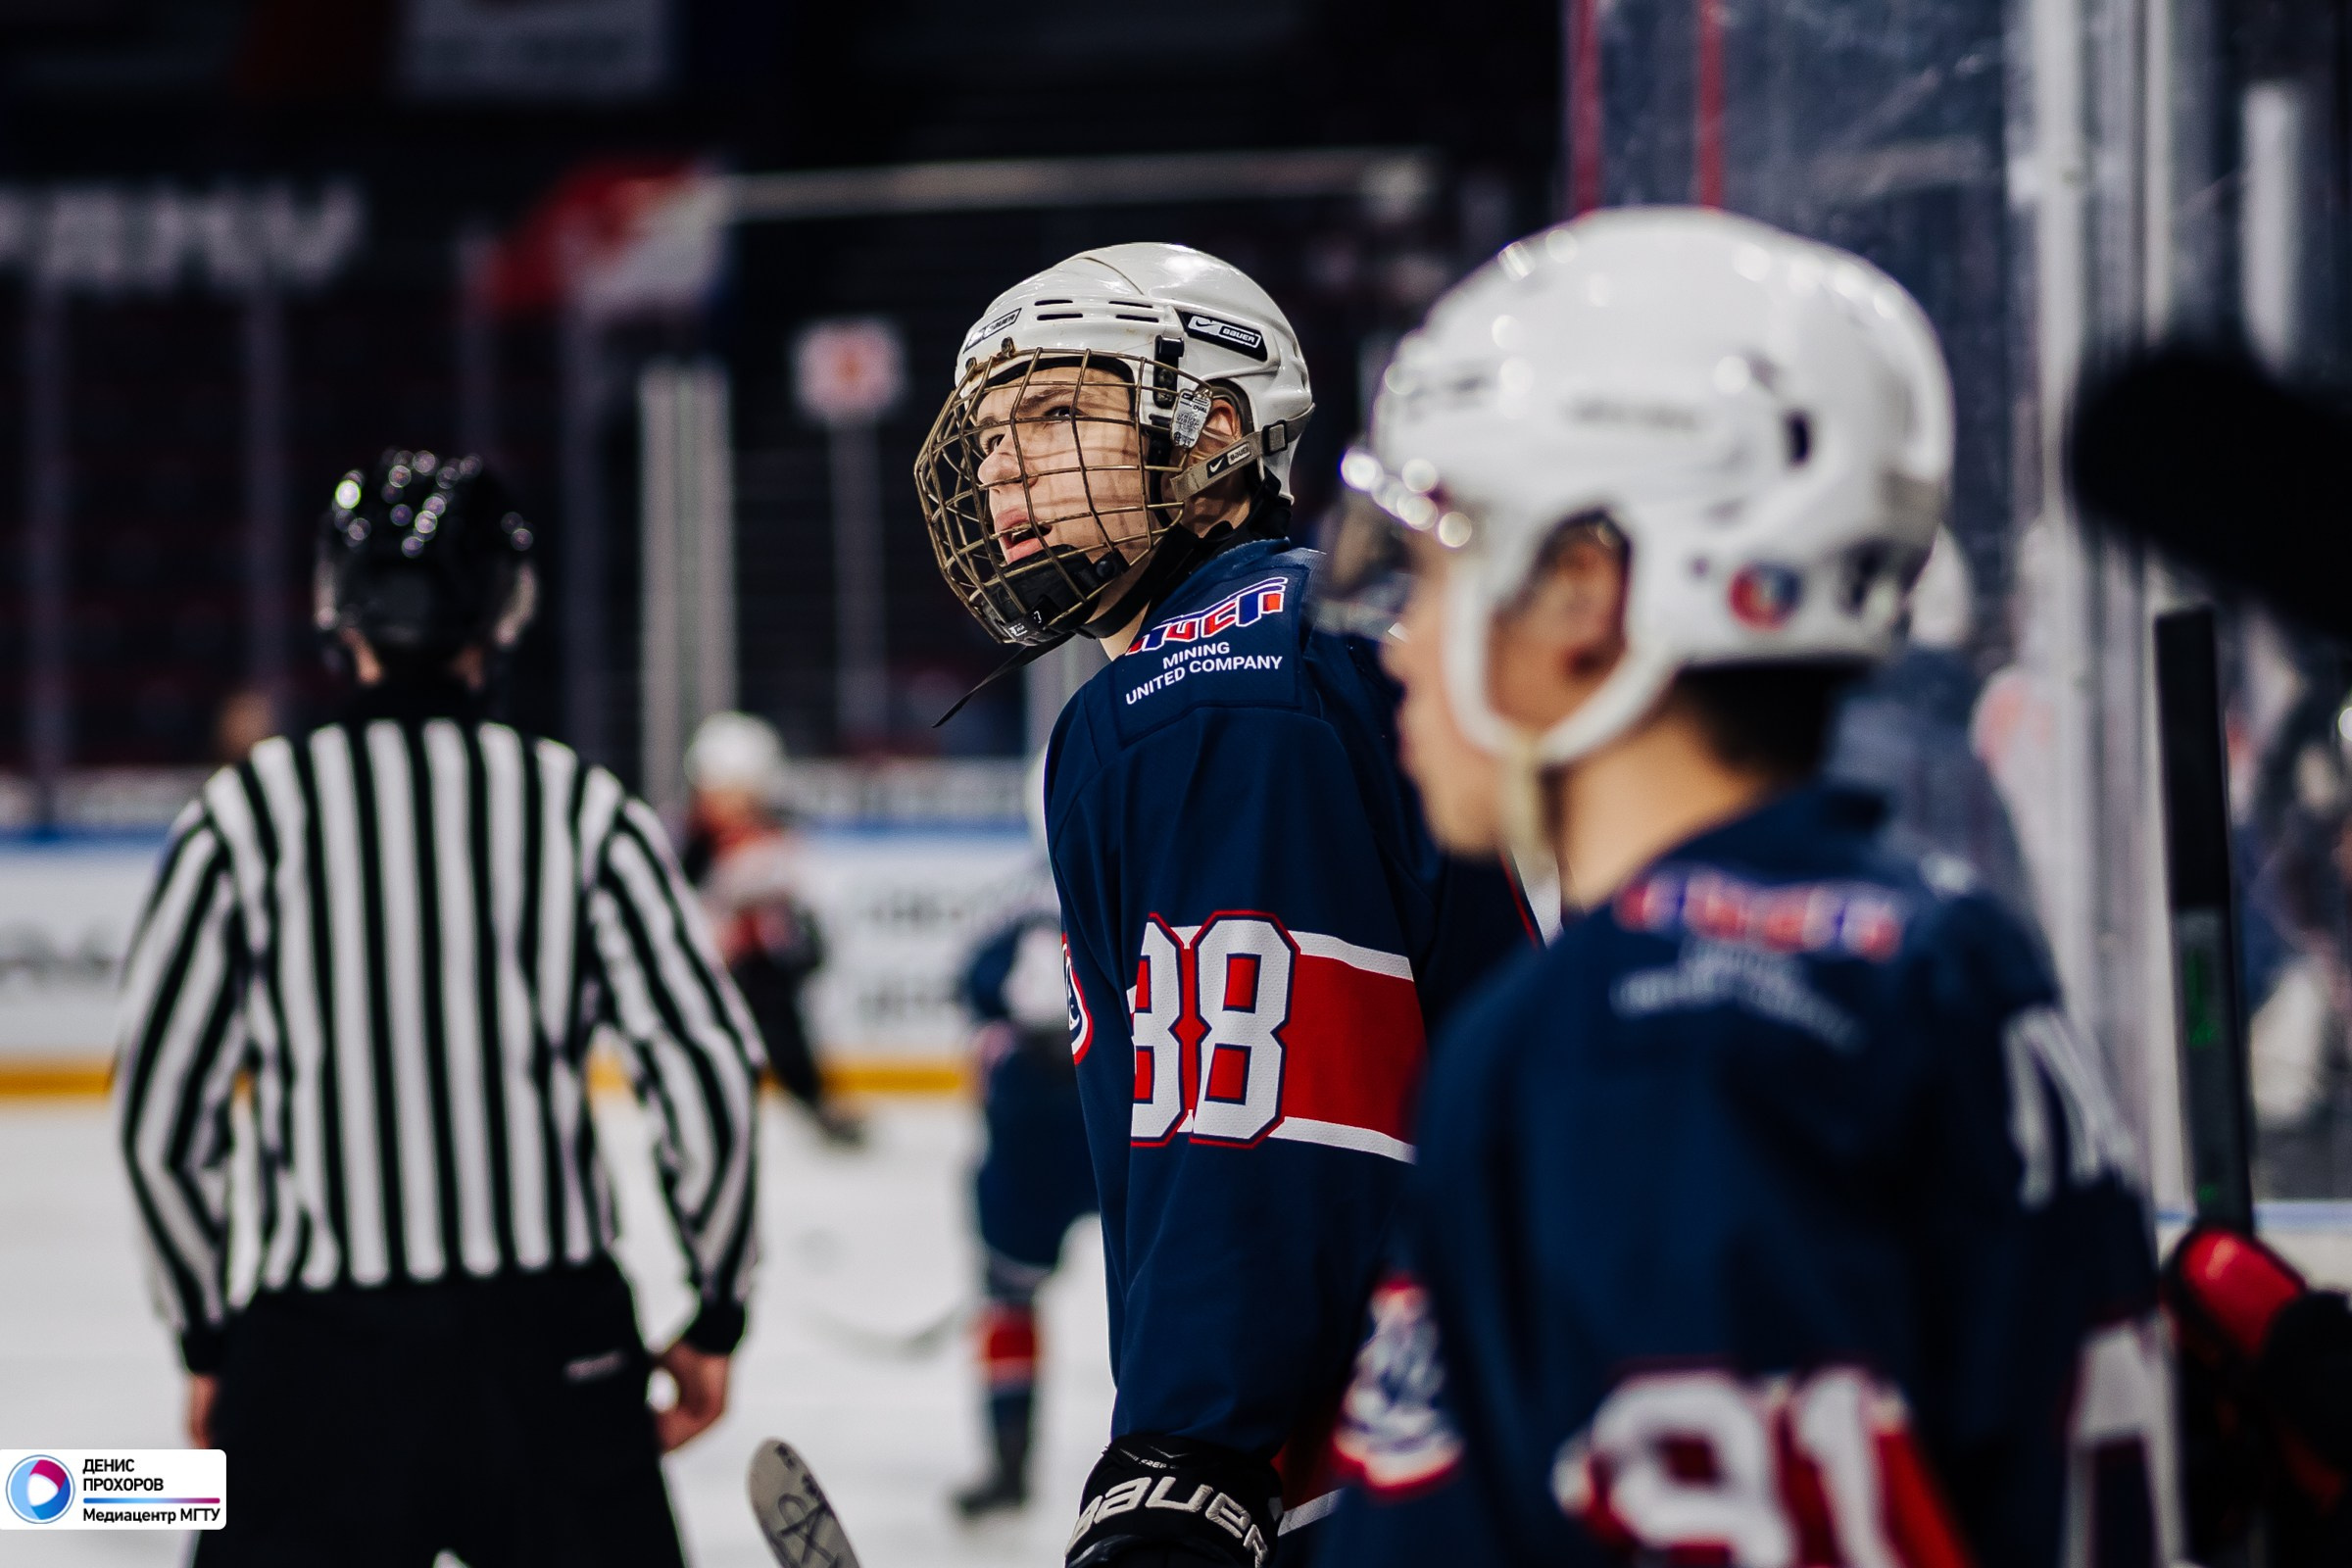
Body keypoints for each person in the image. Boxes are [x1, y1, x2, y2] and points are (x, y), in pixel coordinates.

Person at [1312, 210, 2177, 1564]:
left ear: (1584, 590)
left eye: (1436, 568)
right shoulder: (1943, 942)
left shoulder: (1638, 1040)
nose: (1405, 643)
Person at [915, 243, 1534, 1564]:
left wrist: (1191, 1456)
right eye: (990, 435)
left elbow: (1277, 1112)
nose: (1004, 470)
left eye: (1055, 413)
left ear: (1211, 434)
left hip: (1370, 1466)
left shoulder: (1205, 692)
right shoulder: (1299, 638)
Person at [115, 451, 764, 1568]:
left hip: (316, 1354)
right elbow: (705, 1073)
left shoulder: (242, 818)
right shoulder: (582, 810)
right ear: (506, 609)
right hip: (550, 1345)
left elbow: (162, 1119)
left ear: (336, 606)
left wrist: (207, 1338)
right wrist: (715, 1311)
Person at [950, 859, 1099, 1517]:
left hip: (1033, 1114)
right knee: (1171, 1286)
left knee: (1007, 1291)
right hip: (1128, 1099)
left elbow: (977, 994)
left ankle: (1009, 1468)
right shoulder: (1157, 864)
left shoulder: (1013, 897)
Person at [682, 709, 864, 1147]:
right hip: (702, 967)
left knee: (779, 1022)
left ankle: (812, 1098)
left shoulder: (774, 838)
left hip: (755, 965)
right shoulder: (687, 839)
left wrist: (800, 944)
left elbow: (803, 910)